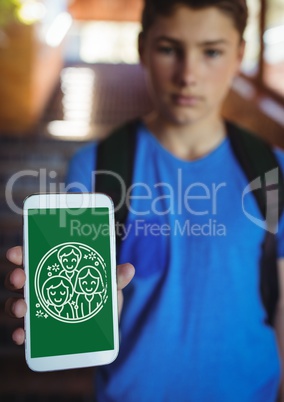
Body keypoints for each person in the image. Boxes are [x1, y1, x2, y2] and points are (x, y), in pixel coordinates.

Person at [5, 0, 284, 401]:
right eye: (169, 49)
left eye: (211, 52)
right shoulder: (98, 167)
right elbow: (88, 323)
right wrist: (75, 316)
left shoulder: (271, 169)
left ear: (239, 54)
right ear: (142, 49)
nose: (188, 75)